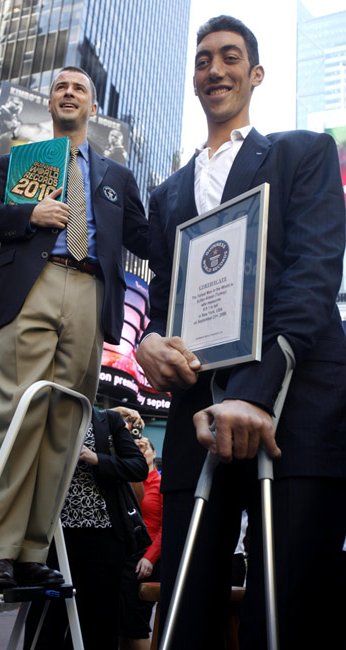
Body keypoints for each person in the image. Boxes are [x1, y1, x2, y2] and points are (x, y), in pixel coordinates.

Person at [136, 15, 346, 650]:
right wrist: (150, 343)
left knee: (288, 604)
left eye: (230, 57)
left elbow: (313, 274)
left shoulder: (304, 152)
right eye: (203, 60)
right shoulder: (166, 194)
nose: (215, 69)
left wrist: (255, 392)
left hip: (296, 406)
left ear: (255, 74)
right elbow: (164, 302)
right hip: (196, 415)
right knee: (186, 604)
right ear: (194, 81)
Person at [0, 66, 149, 590]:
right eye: (61, 87)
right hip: (35, 285)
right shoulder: (21, 160)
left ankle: (31, 550)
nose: (69, 93)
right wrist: (28, 215)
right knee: (21, 414)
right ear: (50, 103)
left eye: (79, 89)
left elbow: (145, 237)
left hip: (91, 293)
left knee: (67, 425)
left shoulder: (117, 177)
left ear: (92, 107)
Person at [23, 408, 148, 650]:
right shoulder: (48, 414)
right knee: (47, 614)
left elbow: (138, 467)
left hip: (104, 535)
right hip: (55, 536)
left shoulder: (107, 420)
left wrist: (96, 458)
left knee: (98, 617)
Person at [119, 437, 162, 650]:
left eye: (144, 448)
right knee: (121, 624)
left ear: (154, 453)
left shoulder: (161, 483)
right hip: (125, 556)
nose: (140, 452)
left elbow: (167, 527)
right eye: (135, 449)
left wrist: (150, 558)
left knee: (136, 624)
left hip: (146, 558)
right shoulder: (126, 482)